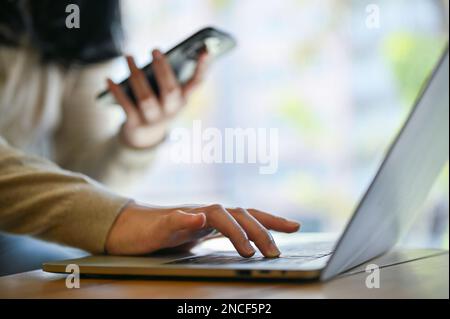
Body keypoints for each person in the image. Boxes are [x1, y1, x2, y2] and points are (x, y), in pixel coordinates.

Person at [0, 0, 300, 275]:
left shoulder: (84, 15)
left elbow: (82, 187)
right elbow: (92, 214)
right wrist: (122, 219)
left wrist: (140, 138)